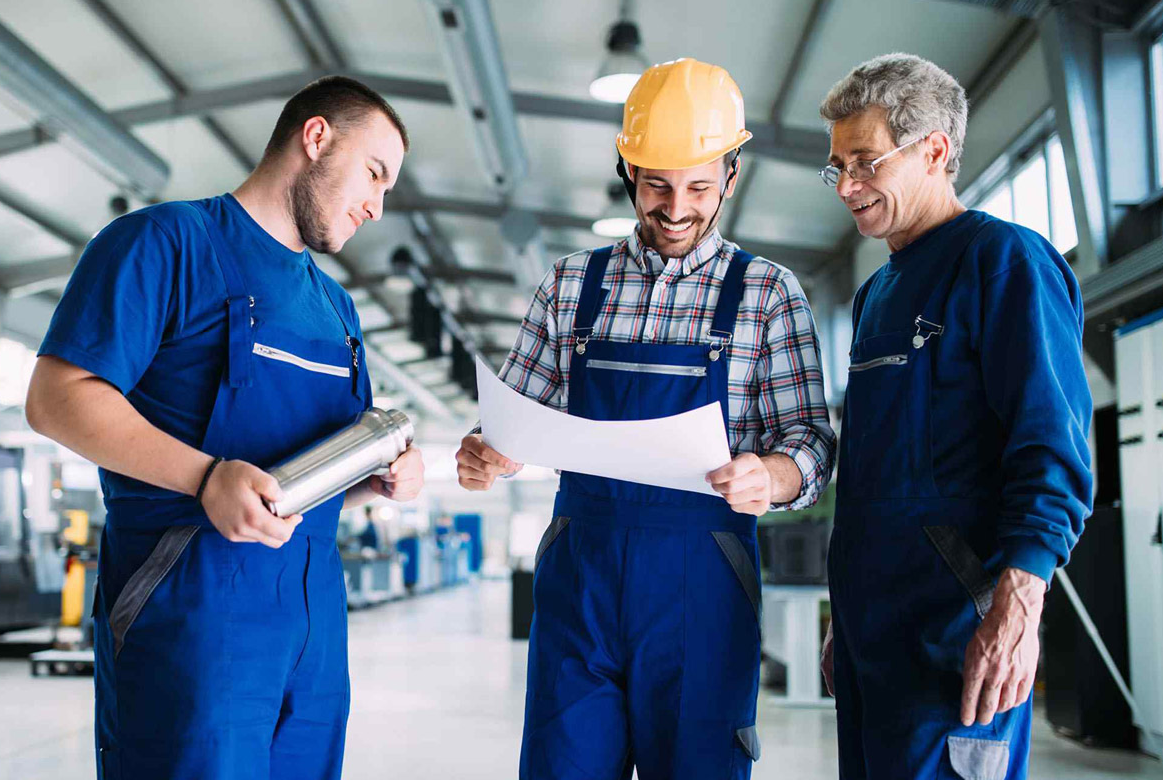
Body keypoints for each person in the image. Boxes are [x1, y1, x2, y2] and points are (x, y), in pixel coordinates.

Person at [25, 76, 426, 780]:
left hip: (314, 637)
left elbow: (296, 487)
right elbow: (56, 398)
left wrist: (378, 480)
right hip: (193, 626)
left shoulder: (335, 308)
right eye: (374, 173)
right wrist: (205, 477)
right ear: (316, 137)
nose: (376, 205)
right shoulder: (163, 243)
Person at [456, 58, 836, 779]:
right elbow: (510, 419)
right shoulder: (570, 283)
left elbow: (811, 443)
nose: (676, 207)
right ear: (627, 168)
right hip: (581, 585)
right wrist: (485, 452)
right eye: (657, 184)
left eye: (698, 186)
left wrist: (774, 476)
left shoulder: (769, 294)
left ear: (732, 174)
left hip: (703, 589)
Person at [816, 53, 1093, 780]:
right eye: (838, 166)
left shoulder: (1004, 262)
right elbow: (872, 473)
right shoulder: (877, 295)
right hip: (871, 638)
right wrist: (841, 615)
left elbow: (1052, 447)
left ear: (934, 149)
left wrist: (1018, 607)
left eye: (866, 162)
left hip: (958, 640)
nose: (847, 186)